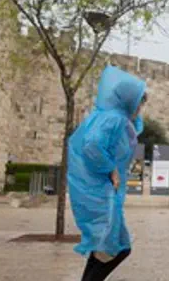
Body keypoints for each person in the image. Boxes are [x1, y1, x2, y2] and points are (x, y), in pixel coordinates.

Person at [67, 65, 147, 281]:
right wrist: (111, 169)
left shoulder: (112, 117)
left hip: (105, 192)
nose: (140, 107)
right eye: (140, 101)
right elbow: (91, 145)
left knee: (104, 249)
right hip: (103, 193)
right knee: (118, 248)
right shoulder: (114, 118)